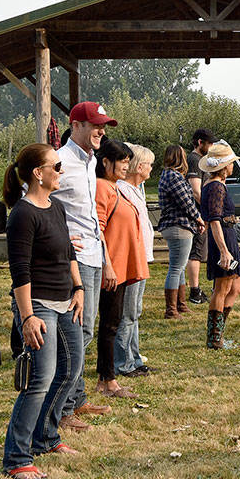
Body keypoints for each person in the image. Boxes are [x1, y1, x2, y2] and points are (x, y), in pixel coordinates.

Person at [1, 143, 85, 479]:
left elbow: (68, 253)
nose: (61, 171)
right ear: (39, 173)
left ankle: (46, 437)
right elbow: (19, 272)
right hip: (37, 306)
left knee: (70, 370)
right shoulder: (22, 215)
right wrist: (27, 317)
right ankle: (17, 457)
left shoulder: (56, 207)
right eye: (57, 166)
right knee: (39, 381)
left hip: (66, 302)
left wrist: (78, 289)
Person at [51, 101, 116, 431]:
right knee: (75, 335)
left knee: (85, 330)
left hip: (92, 256)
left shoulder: (90, 163)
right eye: (95, 125)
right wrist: (59, 238)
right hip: (72, 261)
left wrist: (104, 258)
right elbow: (30, 199)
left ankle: (76, 400)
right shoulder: (58, 162)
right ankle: (61, 410)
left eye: (103, 125)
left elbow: (90, 215)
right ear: (75, 125)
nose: (101, 131)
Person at [93, 139, 147, 398]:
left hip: (120, 266)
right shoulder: (102, 188)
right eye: (122, 161)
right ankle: (108, 380)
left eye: (128, 161)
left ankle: (107, 377)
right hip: (111, 268)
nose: (126, 166)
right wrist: (108, 265)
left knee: (112, 323)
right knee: (110, 324)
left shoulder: (116, 187)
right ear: (105, 162)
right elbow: (98, 229)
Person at [198, 141, 240, 348]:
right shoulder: (216, 186)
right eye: (231, 163)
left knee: (236, 286)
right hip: (223, 238)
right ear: (224, 166)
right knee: (222, 287)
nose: (233, 166)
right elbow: (215, 219)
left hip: (227, 236)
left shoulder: (214, 185)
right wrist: (224, 251)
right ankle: (214, 338)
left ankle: (219, 332)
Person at [113, 143, 155, 376]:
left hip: (140, 259)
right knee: (127, 313)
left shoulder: (136, 189)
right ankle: (123, 362)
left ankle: (134, 357)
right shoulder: (122, 190)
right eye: (149, 164)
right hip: (130, 260)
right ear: (140, 167)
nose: (151, 169)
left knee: (134, 311)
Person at [157, 144, 203, 319]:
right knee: (176, 268)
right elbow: (186, 202)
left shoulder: (166, 175)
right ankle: (172, 309)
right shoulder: (174, 177)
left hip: (174, 225)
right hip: (179, 226)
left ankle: (180, 304)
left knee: (179, 266)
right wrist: (199, 218)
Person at [185, 128, 216, 305]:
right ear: (199, 143)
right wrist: (207, 210)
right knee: (196, 251)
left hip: (201, 212)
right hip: (198, 213)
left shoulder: (201, 159)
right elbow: (196, 190)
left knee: (200, 250)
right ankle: (194, 291)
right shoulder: (194, 159)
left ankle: (197, 288)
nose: (211, 147)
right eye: (209, 143)